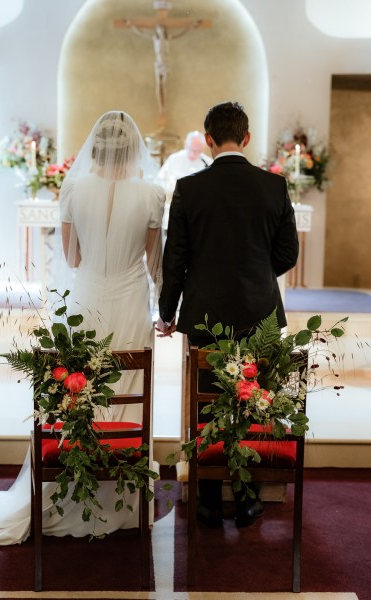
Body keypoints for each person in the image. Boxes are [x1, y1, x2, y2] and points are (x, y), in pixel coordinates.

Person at [0, 111, 165, 545]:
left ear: (94, 149)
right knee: (128, 394)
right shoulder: (153, 194)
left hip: (88, 298)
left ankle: (71, 488)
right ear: (135, 151)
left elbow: (72, 259)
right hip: (132, 303)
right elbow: (155, 266)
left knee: (78, 391)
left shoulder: (74, 188)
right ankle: (126, 504)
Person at [156, 101, 299, 528]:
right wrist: (255, 274)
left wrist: (167, 313)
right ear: (247, 138)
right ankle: (248, 497)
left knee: (206, 405)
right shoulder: (273, 186)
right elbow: (288, 253)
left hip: (205, 313)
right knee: (253, 403)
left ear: (210, 140)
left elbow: (174, 259)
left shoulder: (189, 187)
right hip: (261, 316)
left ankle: (207, 501)